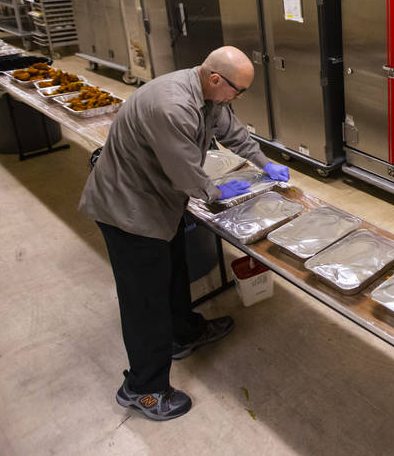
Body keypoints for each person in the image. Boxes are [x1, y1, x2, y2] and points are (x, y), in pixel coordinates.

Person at [79, 46, 291, 421]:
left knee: (173, 273)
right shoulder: (172, 106)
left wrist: (264, 162)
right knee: (145, 301)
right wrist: (214, 192)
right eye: (237, 90)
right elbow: (182, 169)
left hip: (159, 202)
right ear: (215, 78)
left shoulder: (209, 95)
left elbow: (233, 132)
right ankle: (143, 389)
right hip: (128, 210)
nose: (237, 98)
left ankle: (183, 333)